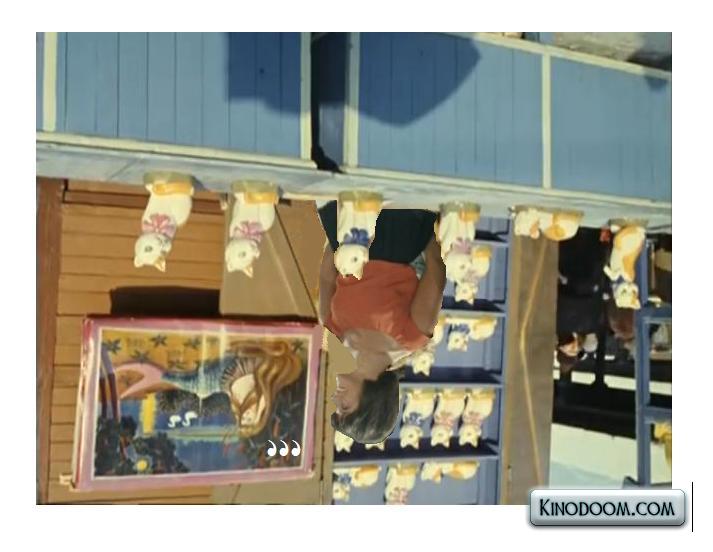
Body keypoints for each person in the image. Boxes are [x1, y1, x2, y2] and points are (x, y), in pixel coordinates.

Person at [317, 201, 446, 444]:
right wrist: (423, 231)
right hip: (398, 236)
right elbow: (436, 274)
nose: (336, 399)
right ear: (372, 403)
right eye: (345, 406)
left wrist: (337, 236)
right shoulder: (412, 337)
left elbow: (326, 278)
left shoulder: (332, 331)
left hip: (348, 237)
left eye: (336, 407)